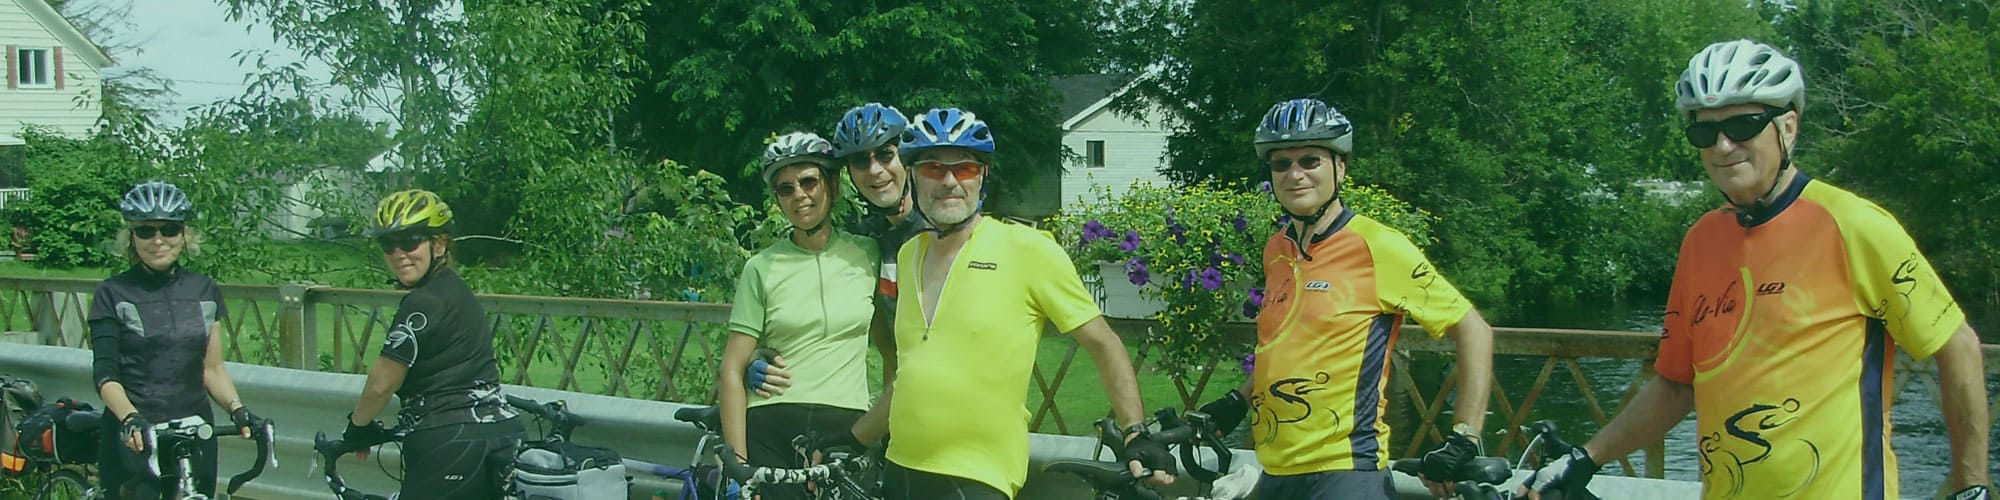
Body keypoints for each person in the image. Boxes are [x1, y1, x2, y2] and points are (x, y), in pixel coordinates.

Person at [1522, 39, 1992, 500]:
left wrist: (1970, 483)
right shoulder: (1700, 240)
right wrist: (1586, 457)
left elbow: (1956, 345)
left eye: (1743, 125)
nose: (1723, 146)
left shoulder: (1854, 225)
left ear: (1787, 127)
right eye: (1705, 132)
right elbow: (1675, 384)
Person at [844, 107, 1175, 499]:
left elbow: (1104, 344)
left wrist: (1135, 431)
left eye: (965, 169)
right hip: (900, 470)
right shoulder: (908, 254)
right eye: (933, 168)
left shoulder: (1029, 250)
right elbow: (909, 377)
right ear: (913, 175)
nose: (949, 181)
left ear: (983, 176)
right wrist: (853, 440)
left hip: (978, 477)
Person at [1191, 98, 1497, 499]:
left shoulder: (1378, 246)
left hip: (1346, 471)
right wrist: (1238, 400)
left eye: (1310, 160)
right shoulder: (1276, 251)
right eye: (1281, 164)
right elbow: (1290, 347)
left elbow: (1474, 330)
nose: (1295, 174)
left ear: (1340, 166)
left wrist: (1464, 437)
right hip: (1276, 471)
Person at [717, 132, 880, 500]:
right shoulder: (761, 267)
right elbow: (730, 369)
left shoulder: (869, 254)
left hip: (845, 425)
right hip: (773, 424)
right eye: (785, 189)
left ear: (833, 186)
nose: (799, 196)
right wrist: (738, 468)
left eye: (809, 182)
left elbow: (895, 345)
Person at [341, 189, 525, 498]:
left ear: (439, 244)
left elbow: (381, 385)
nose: (399, 253)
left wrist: (358, 428)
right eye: (388, 244)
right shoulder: (457, 291)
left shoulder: (422, 304)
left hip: (450, 440)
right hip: (501, 433)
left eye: (410, 241)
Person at [91, 181, 267, 499]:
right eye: (146, 231)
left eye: (169, 230)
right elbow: (105, 376)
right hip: (137, 432)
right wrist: (130, 418)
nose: (158, 240)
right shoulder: (112, 293)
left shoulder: (205, 290)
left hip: (194, 430)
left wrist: (238, 409)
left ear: (184, 235)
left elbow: (212, 369)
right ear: (131, 237)